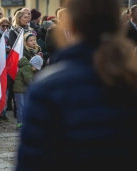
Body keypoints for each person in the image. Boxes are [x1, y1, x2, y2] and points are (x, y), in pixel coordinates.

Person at [16, 0, 137, 170]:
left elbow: (32, 162)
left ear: (70, 25)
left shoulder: (49, 87)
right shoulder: (130, 77)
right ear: (118, 24)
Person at [13, 33, 42, 131]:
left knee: (26, 105)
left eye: (34, 40)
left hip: (24, 87)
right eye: (31, 40)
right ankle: (20, 124)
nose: (34, 42)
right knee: (21, 106)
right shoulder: (26, 67)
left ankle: (25, 122)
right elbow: (27, 79)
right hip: (20, 88)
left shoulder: (36, 52)